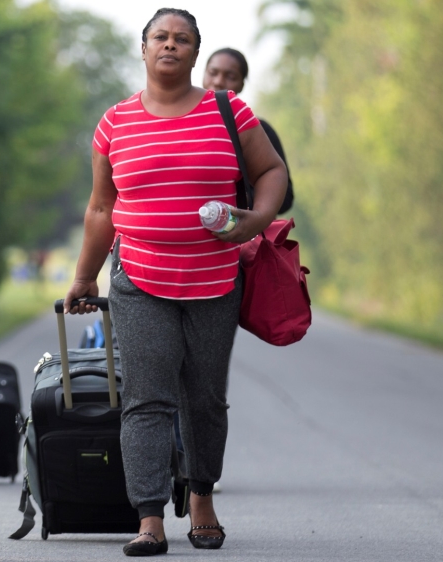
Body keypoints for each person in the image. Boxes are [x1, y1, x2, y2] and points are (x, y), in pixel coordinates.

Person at [63, 8, 287, 556]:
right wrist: (85, 276)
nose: (169, 45)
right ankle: (149, 517)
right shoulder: (115, 122)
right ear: (143, 49)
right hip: (139, 279)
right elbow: (101, 207)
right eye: (159, 37)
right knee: (146, 398)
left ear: (194, 52)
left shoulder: (228, 110)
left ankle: (202, 499)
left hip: (215, 280)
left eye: (181, 39)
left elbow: (271, 171)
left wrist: (257, 219)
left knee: (205, 399)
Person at [204, 47, 294, 214]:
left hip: (241, 229)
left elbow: (286, 197)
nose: (218, 81)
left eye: (230, 77)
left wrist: (237, 197)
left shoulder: (258, 130)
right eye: (212, 73)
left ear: (242, 85)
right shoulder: (184, 125)